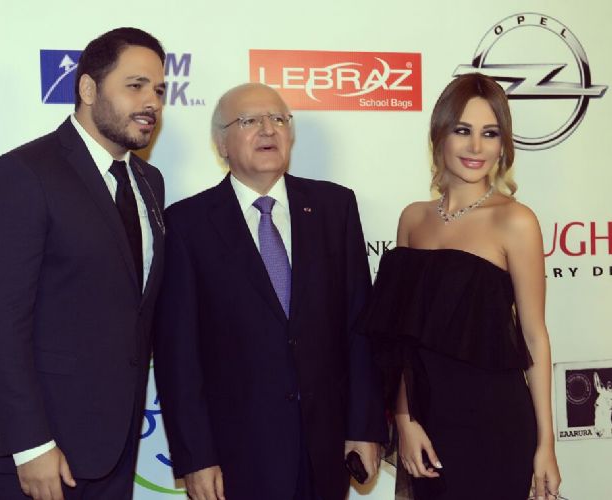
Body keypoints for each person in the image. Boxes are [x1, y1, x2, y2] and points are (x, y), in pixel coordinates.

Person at [0, 27, 167, 500]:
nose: (151, 102)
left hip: (115, 447)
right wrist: (30, 445)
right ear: (88, 88)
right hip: (40, 451)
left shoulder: (149, 181)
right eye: (135, 86)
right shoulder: (24, 173)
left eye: (158, 89)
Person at [153, 82, 387, 500]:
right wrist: (195, 456)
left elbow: (358, 327)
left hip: (326, 448)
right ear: (221, 144)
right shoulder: (188, 224)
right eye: (249, 121)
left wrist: (364, 428)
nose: (268, 129)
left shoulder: (334, 208)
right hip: (237, 457)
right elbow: (179, 356)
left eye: (278, 119)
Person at [358, 72, 561, 500]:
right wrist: (405, 420)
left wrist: (546, 444)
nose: (476, 148)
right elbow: (401, 341)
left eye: (490, 133)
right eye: (463, 131)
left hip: (496, 423)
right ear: (440, 135)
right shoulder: (413, 218)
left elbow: (534, 337)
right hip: (428, 424)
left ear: (503, 144)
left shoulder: (515, 221)